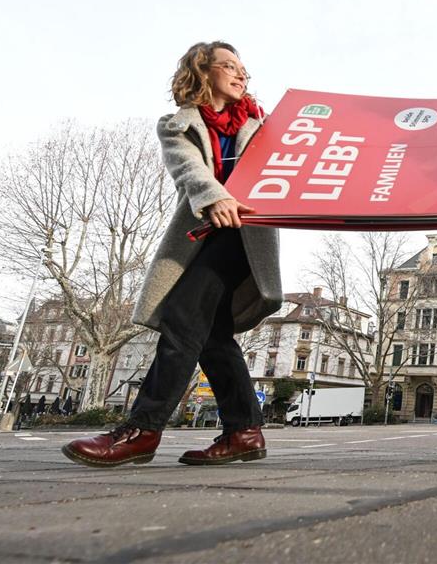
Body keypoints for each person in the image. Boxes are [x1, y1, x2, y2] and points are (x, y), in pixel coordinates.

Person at [63, 41, 283, 468]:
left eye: (244, 70)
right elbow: (188, 168)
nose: (241, 75)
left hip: (247, 235)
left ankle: (142, 430)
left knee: (183, 320)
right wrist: (213, 196)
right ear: (203, 71)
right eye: (229, 66)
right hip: (206, 230)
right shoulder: (177, 125)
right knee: (212, 335)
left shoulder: (264, 122)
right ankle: (244, 431)